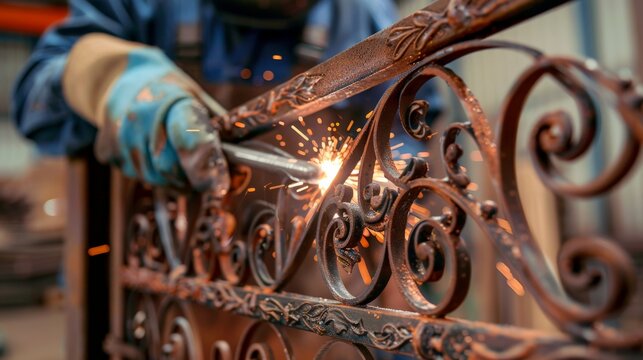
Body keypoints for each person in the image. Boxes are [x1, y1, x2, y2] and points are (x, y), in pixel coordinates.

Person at [12, 0, 399, 195]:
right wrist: (108, 81)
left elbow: (413, 159)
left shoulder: (369, 21)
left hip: (317, 314)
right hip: (158, 303)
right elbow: (34, 100)